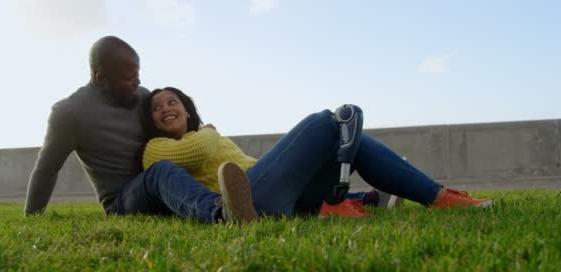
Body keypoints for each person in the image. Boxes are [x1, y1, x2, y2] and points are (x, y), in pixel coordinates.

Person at [141, 87, 494, 218]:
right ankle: (358, 198)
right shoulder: (155, 150)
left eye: (173, 102)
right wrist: (209, 131)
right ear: (152, 119)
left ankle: (437, 196)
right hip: (247, 199)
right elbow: (200, 148)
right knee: (325, 122)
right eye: (157, 107)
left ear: (186, 108)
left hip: (282, 192)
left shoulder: (208, 134)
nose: (166, 108)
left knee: (345, 135)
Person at [24, 36, 257, 224]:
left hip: (171, 190)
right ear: (102, 78)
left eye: (138, 73)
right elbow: (46, 170)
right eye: (129, 78)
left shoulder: (143, 96)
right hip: (125, 201)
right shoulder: (69, 113)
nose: (138, 82)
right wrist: (31, 218)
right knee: (160, 171)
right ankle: (220, 214)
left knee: (167, 170)